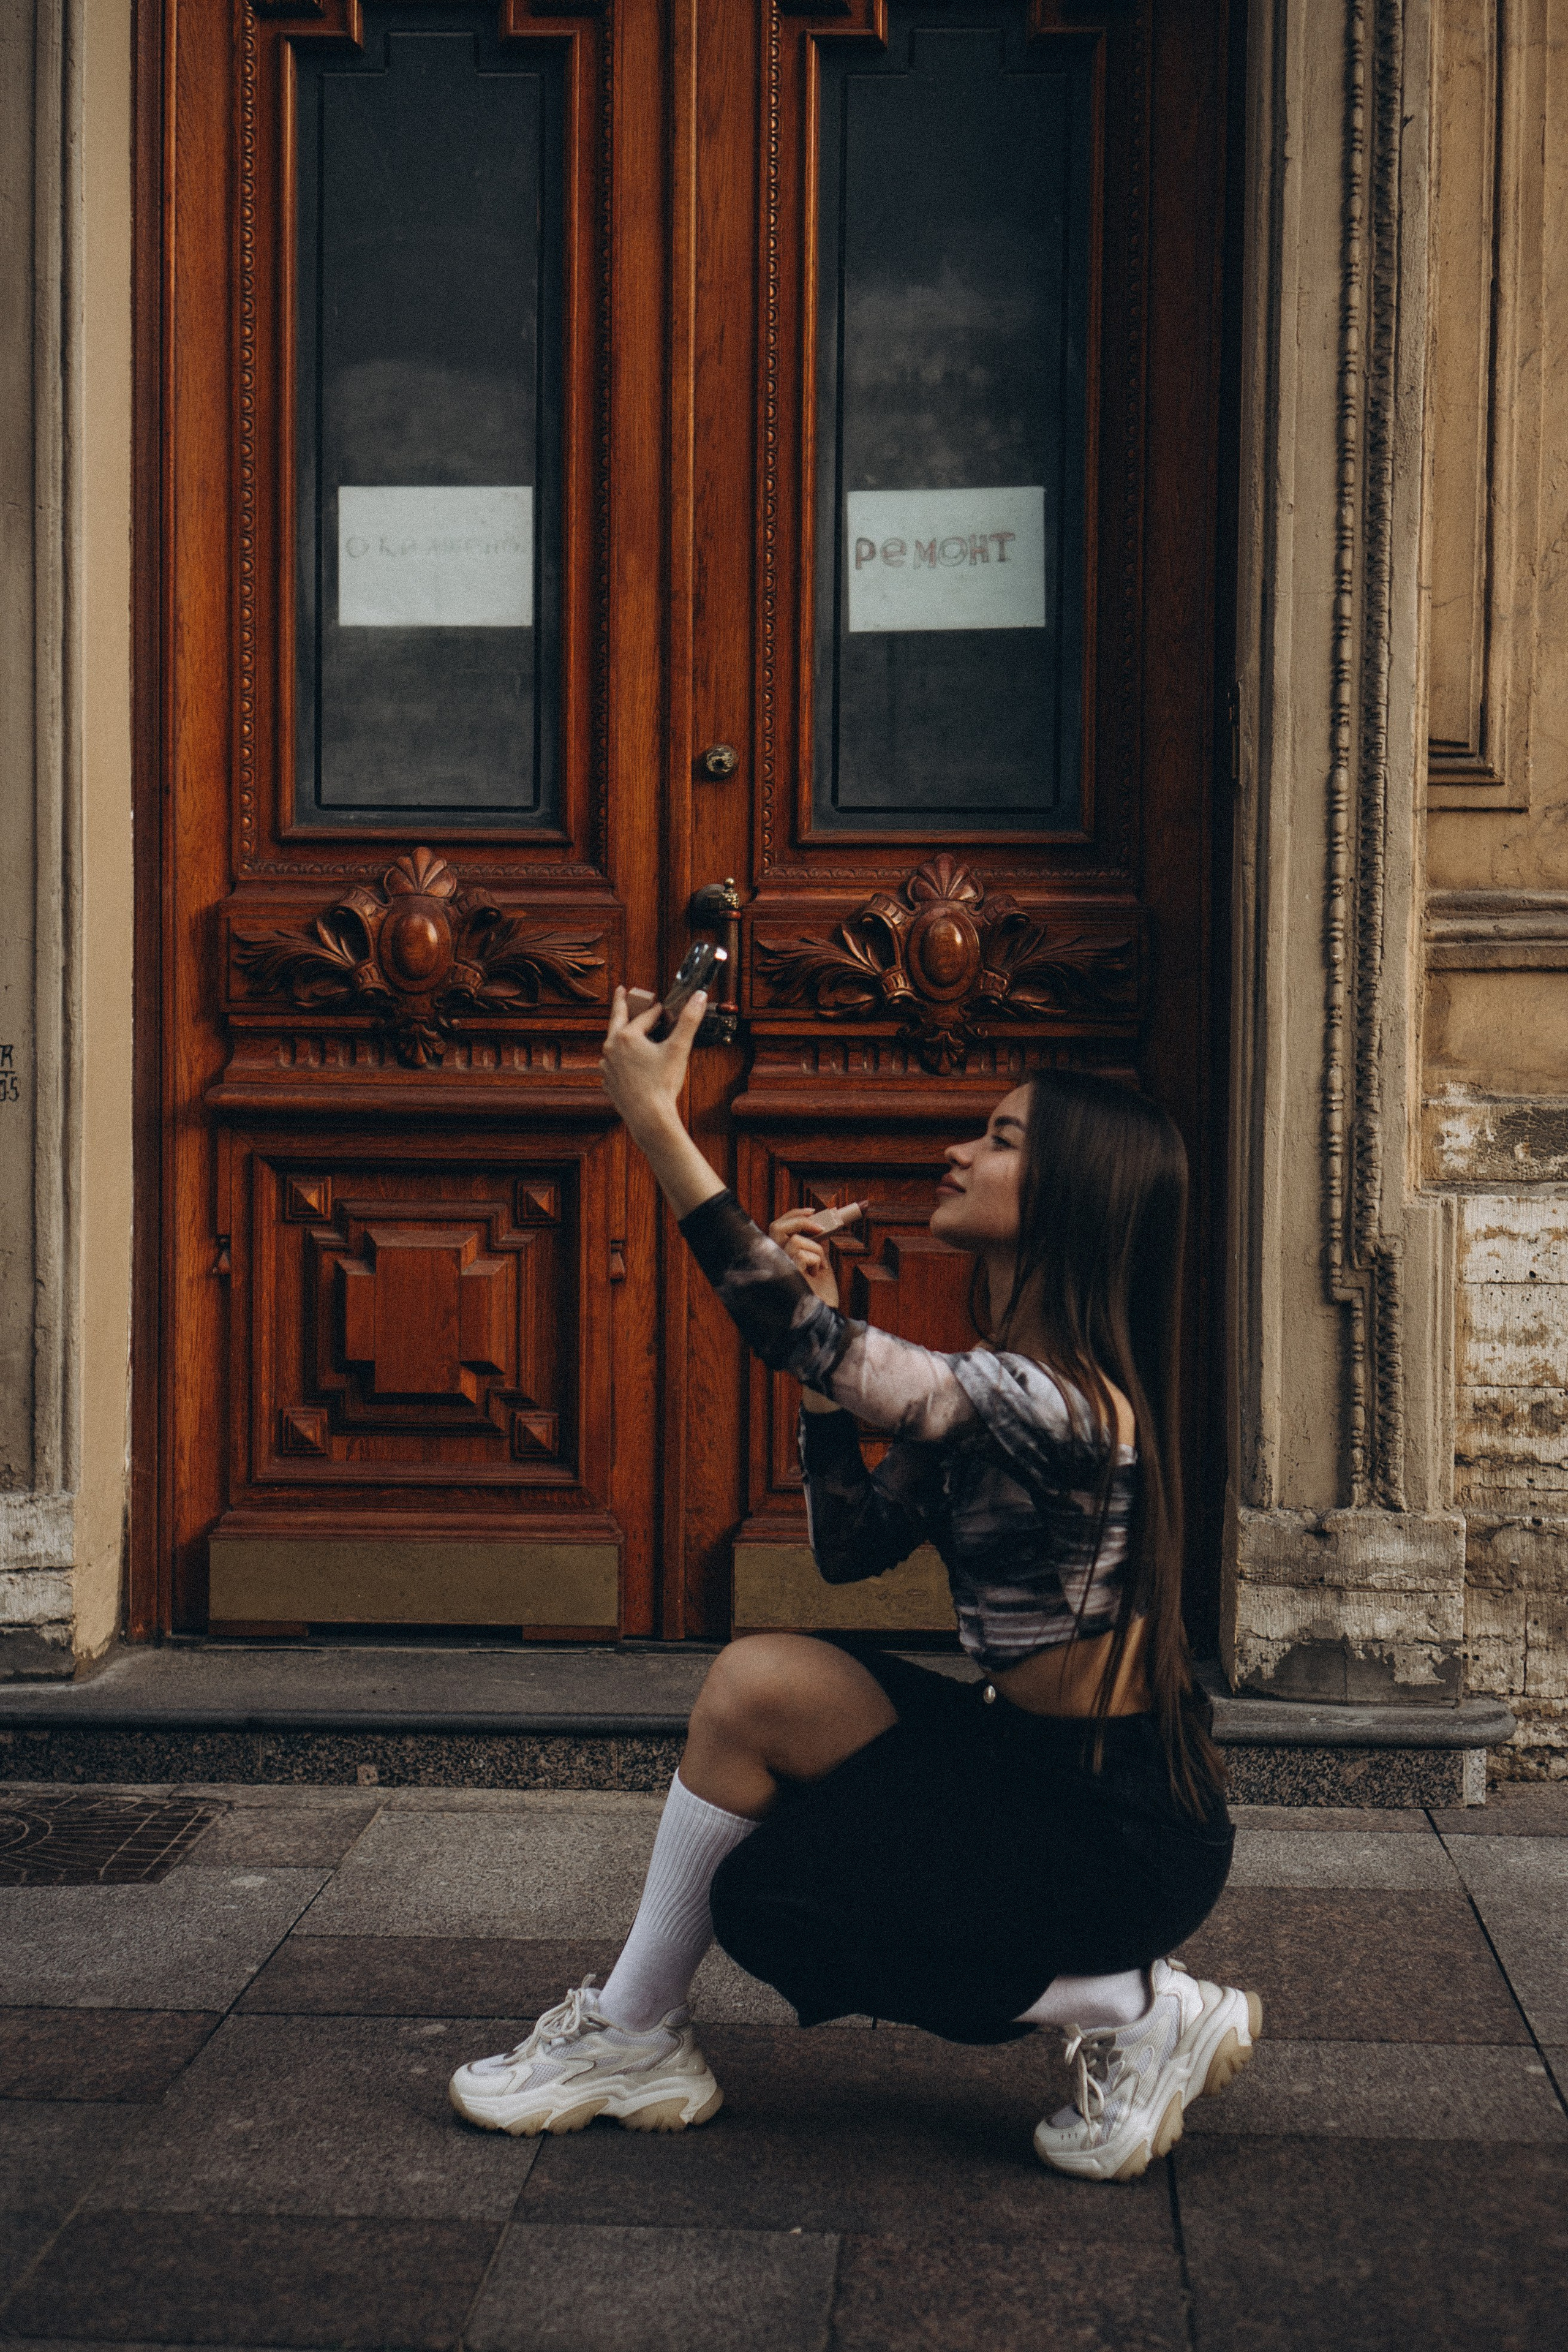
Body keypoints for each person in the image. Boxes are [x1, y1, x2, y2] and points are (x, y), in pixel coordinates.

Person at [449, 981, 1261, 2182]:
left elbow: (786, 1330)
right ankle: (630, 2037)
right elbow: (851, 1547)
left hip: (1114, 1829)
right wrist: (831, 1385)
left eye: (997, 1139)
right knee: (755, 1686)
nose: (956, 1151)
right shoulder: (1003, 1386)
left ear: (1069, 1197)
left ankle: (1130, 2008)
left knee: (779, 1906)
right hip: (1027, 1770)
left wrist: (656, 1125)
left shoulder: (1063, 1406)